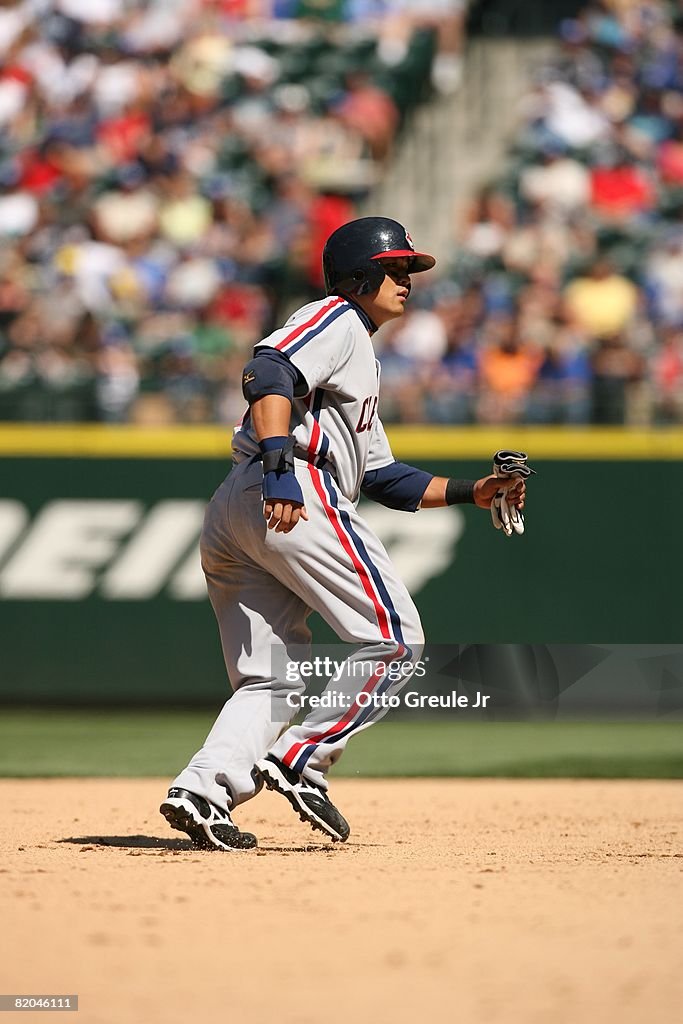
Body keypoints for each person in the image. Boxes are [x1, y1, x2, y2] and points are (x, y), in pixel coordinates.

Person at [159, 216, 528, 851]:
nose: (407, 282)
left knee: (269, 679)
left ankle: (203, 790)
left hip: (244, 504)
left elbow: (385, 478)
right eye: (396, 269)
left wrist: (475, 491)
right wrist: (280, 468)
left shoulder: (360, 352)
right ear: (359, 275)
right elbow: (267, 370)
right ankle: (304, 755)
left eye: (409, 271)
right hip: (291, 486)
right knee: (394, 637)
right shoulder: (337, 319)